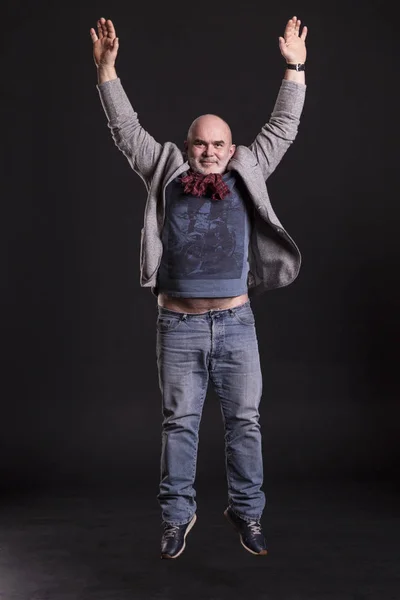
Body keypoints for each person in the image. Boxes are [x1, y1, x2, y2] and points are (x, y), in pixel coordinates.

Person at [90, 15, 308, 559]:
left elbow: (282, 127)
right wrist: (107, 71)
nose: (210, 152)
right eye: (201, 144)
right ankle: (175, 518)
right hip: (178, 324)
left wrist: (295, 67)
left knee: (246, 424)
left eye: (219, 144)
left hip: (236, 323)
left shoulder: (247, 169)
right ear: (187, 146)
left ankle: (248, 513)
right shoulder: (163, 166)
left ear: (231, 148)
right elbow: (126, 131)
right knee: (179, 425)